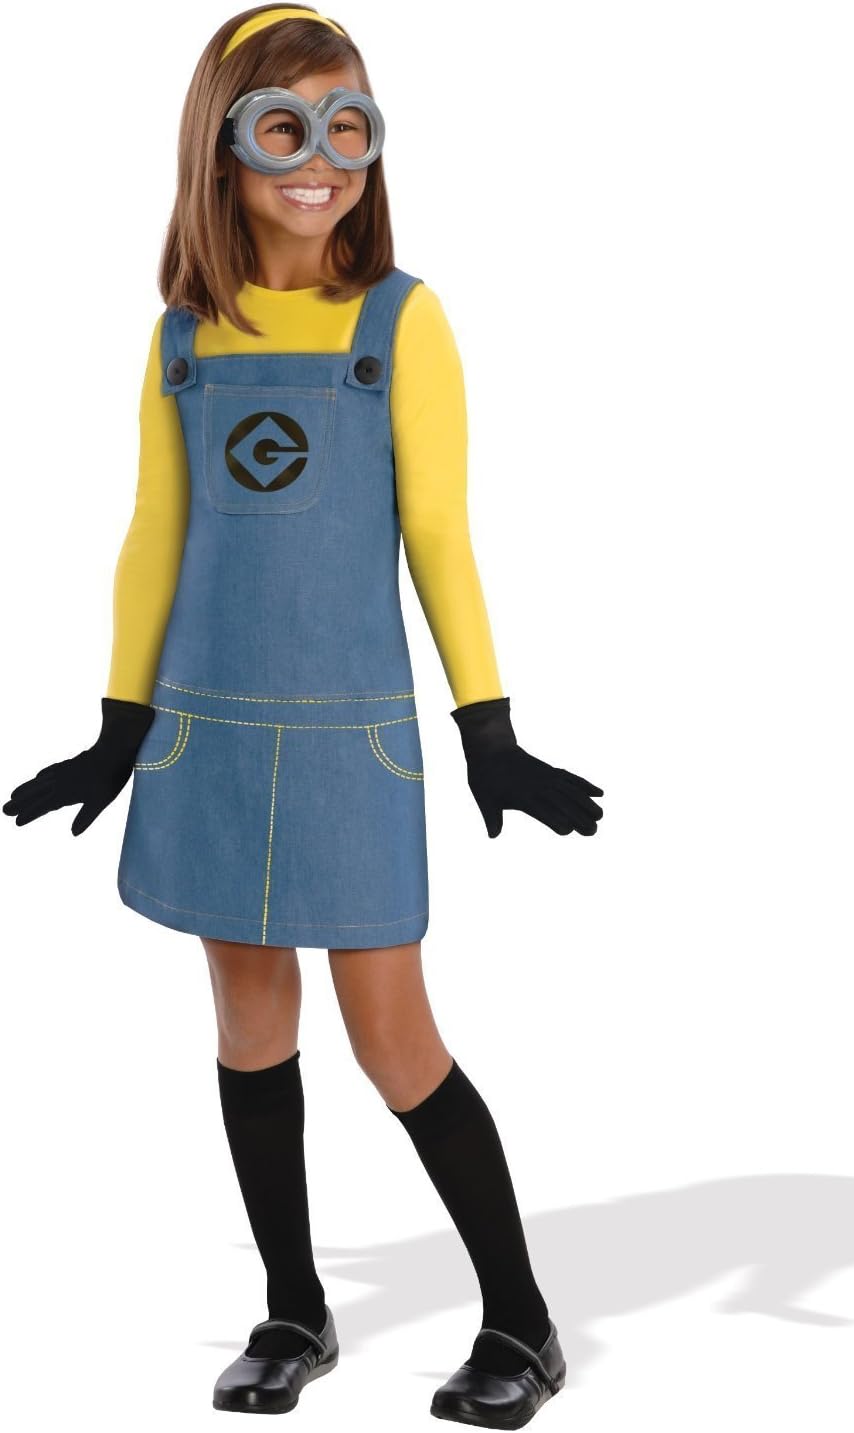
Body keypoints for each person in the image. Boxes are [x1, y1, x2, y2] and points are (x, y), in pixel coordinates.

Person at [3, 5, 604, 1424]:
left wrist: (487, 725)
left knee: (393, 1036)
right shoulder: (184, 336)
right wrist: (120, 721)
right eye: (285, 127)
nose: (321, 157)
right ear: (222, 148)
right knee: (250, 1026)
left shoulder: (401, 320)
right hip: (209, 731)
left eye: (349, 125)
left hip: (349, 741)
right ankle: (293, 1306)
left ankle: (521, 1321)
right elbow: (155, 533)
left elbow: (439, 533)